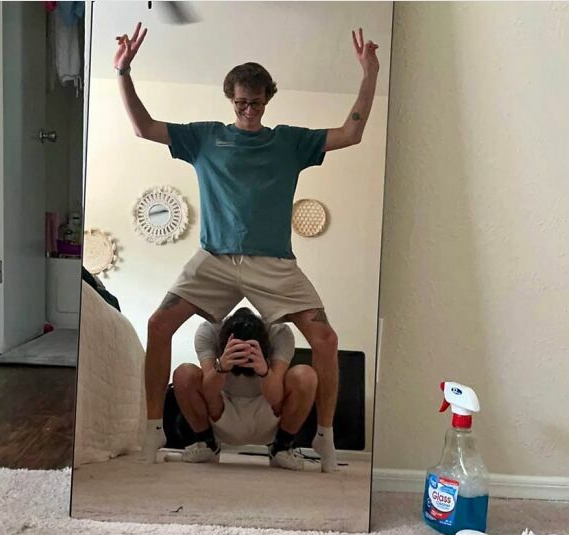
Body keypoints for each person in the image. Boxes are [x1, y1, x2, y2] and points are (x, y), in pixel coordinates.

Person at [113, 23, 379, 472]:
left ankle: (324, 437)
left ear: (267, 99)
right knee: (159, 324)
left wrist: (369, 74)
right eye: (241, 103)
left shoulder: (289, 141)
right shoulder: (204, 137)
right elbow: (143, 127)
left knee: (326, 339)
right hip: (214, 258)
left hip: (273, 262)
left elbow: (350, 134)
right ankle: (153, 428)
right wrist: (123, 71)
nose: (249, 110)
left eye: (256, 102)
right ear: (230, 100)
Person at [173, 306, 318, 471]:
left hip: (269, 411)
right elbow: (209, 393)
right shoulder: (209, 330)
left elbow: (276, 398)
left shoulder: (279, 332)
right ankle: (207, 444)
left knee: (305, 375)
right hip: (220, 412)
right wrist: (222, 367)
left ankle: (281, 447)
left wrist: (264, 371)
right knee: (184, 373)